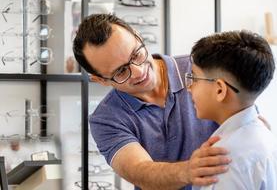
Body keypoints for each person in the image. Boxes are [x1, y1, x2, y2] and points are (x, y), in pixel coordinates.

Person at [73, 13, 231, 190]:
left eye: (136, 54)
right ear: (101, 80)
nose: (139, 72)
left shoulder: (201, 69)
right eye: (121, 71)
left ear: (138, 36)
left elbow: (247, 122)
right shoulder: (106, 119)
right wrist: (188, 171)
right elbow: (139, 172)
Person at [186, 30, 277, 189]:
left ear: (220, 90)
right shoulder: (267, 138)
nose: (190, 87)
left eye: (194, 78)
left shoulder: (222, 160)